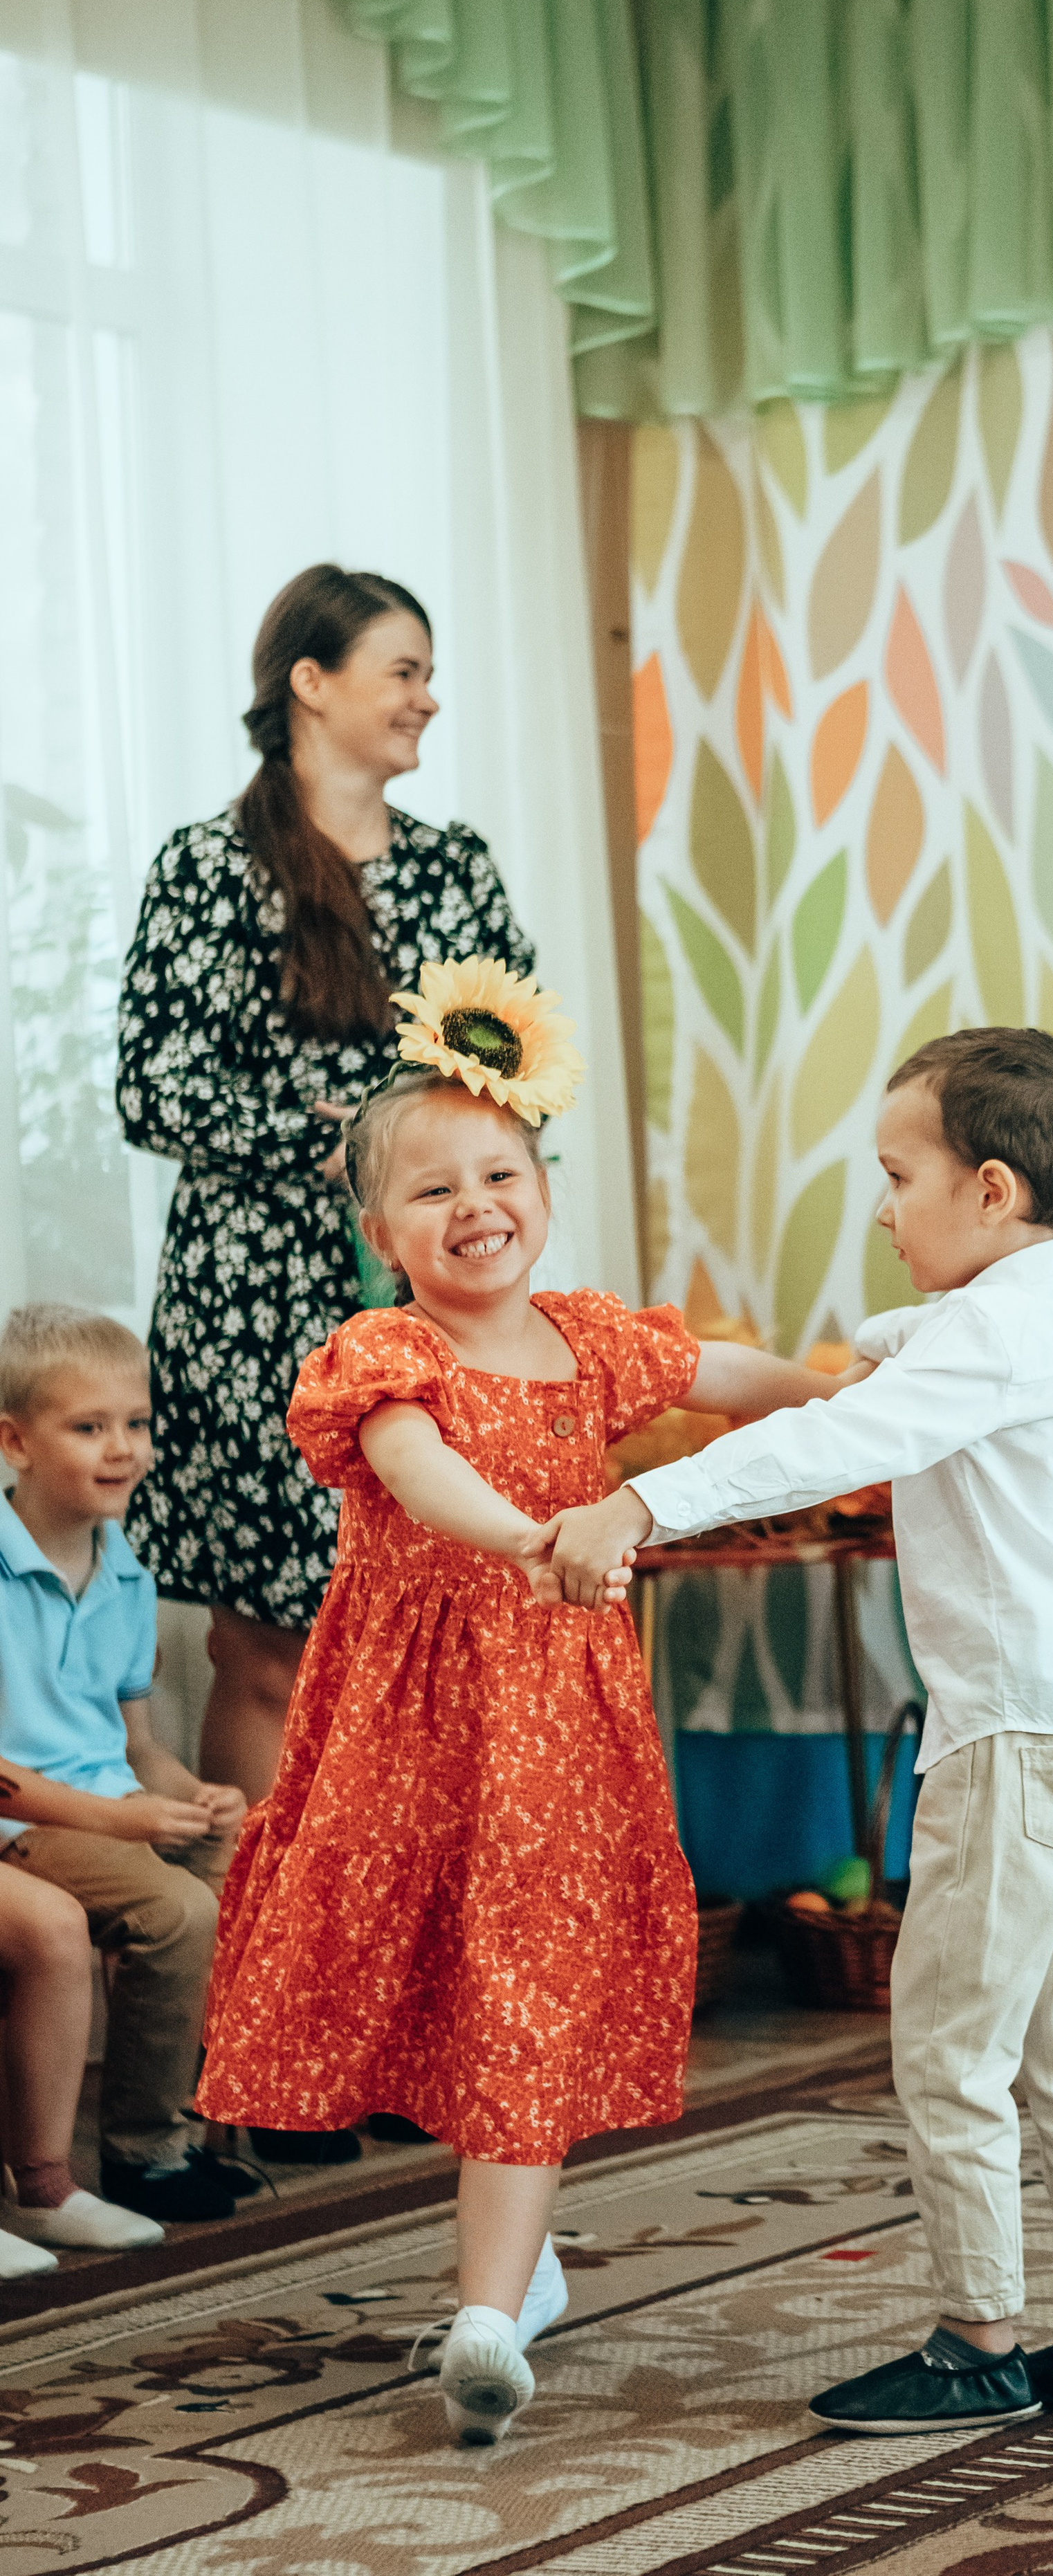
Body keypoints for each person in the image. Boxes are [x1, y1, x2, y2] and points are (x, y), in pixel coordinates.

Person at [195, 965, 851, 2445]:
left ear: (544, 1185)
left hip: (559, 1724)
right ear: (381, 1237)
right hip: (414, 1728)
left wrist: (844, 1394)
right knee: (429, 1976)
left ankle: (488, 2314)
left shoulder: (591, 1339)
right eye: (432, 1191)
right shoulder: (390, 1355)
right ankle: (523, 2267)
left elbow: (730, 1372)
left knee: (525, 1985)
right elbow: (423, 1474)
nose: (474, 1204)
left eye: (501, 1171)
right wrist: (536, 1537)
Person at [551, 1028, 1053, 2438]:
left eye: (899, 1177)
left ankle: (976, 2339)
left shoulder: (993, 1336)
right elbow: (899, 1359)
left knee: (950, 2045)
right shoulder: (1049, 1301)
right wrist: (844, 1360)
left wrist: (636, 1506)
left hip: (1017, 1736)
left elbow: (836, 1443)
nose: (882, 1207)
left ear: (993, 1190)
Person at [116, 563, 533, 1825]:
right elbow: (157, 1090)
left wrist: (447, 1187)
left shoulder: (457, 867)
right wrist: (363, 1146)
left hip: (435, 1296)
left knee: (440, 1635)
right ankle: (259, 1976)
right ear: (312, 681)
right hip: (253, 1308)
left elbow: (519, 1068)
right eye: (403, 671)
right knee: (268, 1648)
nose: (427, 700)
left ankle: (403, 1972)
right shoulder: (204, 868)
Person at [0, 1306, 248, 2233]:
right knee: (177, 1911)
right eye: (89, 1427)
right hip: (27, 1823)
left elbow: (134, 1745)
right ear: (15, 1442)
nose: (124, 1450)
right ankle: (144, 2150)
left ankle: (204, 2121)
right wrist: (127, 1822)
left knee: (240, 1853)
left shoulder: (128, 1574)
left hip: (107, 1804)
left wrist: (188, 1794)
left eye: (136, 1425)